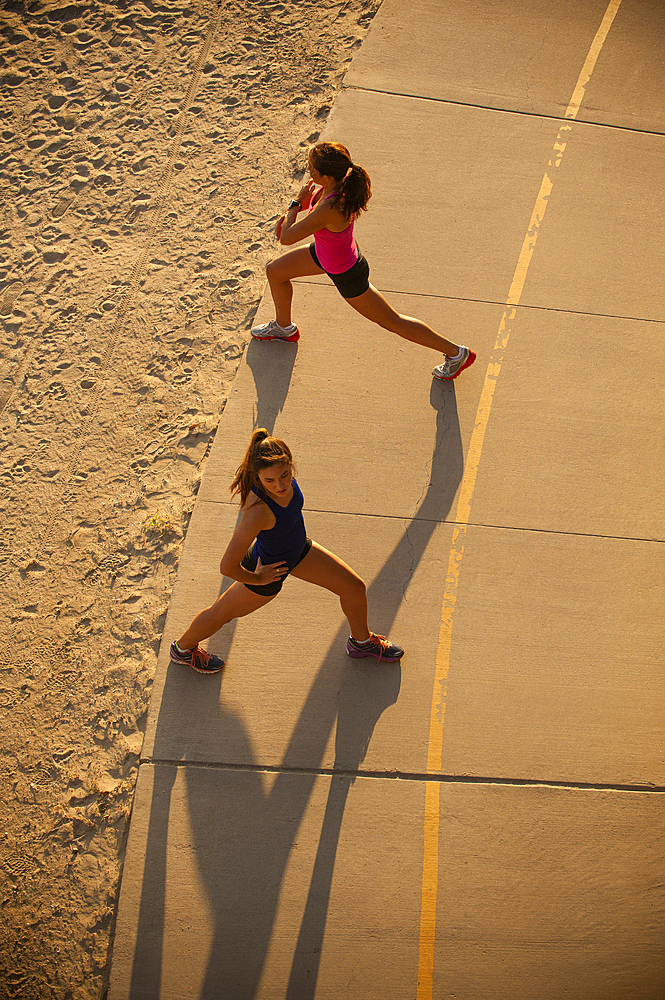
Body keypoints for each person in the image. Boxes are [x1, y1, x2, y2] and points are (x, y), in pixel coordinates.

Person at [170, 429, 404, 673]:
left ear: (291, 464)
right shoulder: (258, 511)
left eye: (284, 475)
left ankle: (361, 643)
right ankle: (183, 650)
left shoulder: (285, 479)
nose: (279, 485)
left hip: (298, 551)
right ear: (258, 478)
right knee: (221, 614)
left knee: (354, 587)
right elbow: (227, 566)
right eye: (269, 481)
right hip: (269, 570)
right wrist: (257, 578)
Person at [250, 141, 476, 382]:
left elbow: (286, 237)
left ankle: (456, 353)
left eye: (312, 169)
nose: (309, 171)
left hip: (346, 272)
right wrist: (295, 210)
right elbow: (307, 208)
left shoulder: (331, 207)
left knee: (392, 321)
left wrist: (295, 204)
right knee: (275, 272)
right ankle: (284, 329)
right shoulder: (336, 184)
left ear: (326, 176)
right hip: (324, 254)